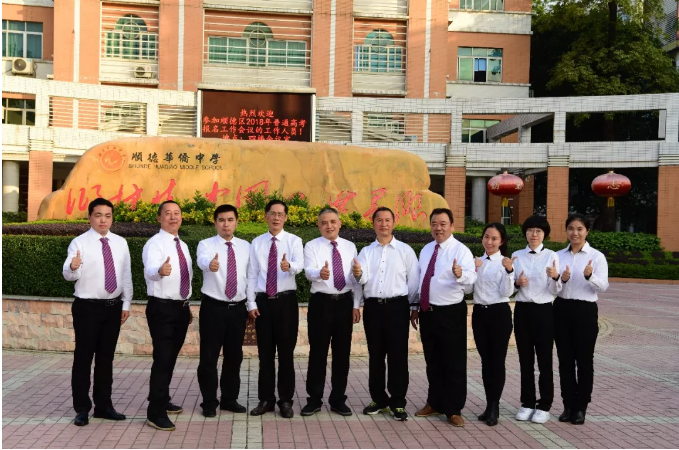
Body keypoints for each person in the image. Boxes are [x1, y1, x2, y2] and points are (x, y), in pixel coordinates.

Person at [63, 198, 132, 427]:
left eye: (108, 215)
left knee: (106, 359)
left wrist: (126, 303)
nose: (103, 220)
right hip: (87, 308)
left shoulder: (121, 243)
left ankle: (103, 406)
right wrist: (72, 267)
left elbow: (126, 275)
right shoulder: (79, 243)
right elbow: (70, 274)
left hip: (112, 308)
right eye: (98, 215)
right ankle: (82, 408)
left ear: (112, 218)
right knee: (83, 358)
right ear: (90, 217)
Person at [412, 208, 476, 427]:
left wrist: (460, 274)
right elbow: (421, 280)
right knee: (433, 361)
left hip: (450, 312)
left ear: (452, 225)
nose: (438, 228)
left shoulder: (461, 250)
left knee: (453, 361)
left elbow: (471, 281)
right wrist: (415, 307)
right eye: (434, 224)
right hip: (428, 312)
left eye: (442, 224)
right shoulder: (426, 249)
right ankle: (434, 402)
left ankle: (453, 409)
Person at [356, 207, 420, 421]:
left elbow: (413, 282)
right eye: (379, 220)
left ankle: (398, 402)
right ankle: (378, 399)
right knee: (375, 355)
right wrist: (358, 274)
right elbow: (362, 278)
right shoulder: (366, 252)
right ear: (373, 223)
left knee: (398, 356)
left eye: (387, 220)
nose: (383, 224)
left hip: (397, 307)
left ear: (394, 222)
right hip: (373, 308)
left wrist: (413, 308)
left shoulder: (405, 251)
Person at [301, 207, 362, 417]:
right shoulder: (311, 245)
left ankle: (338, 399)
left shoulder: (350, 246)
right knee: (318, 353)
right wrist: (320, 273)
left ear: (340, 224)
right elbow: (308, 271)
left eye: (333, 222)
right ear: (319, 226)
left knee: (342, 354)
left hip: (344, 303)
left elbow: (355, 278)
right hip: (321, 304)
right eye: (324, 223)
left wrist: (356, 304)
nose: (329, 226)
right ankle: (314, 400)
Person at [247, 200, 304, 418]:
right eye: (272, 213)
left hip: (286, 302)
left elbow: (300, 265)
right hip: (263, 303)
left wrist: (289, 266)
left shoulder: (294, 241)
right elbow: (252, 275)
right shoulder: (257, 243)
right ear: (266, 216)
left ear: (286, 217)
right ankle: (266, 400)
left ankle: (286, 401)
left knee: (286, 354)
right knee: (265, 355)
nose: (276, 217)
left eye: (281, 214)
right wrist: (251, 303)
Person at [142, 200, 193, 431]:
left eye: (177, 213)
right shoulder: (155, 244)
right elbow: (150, 269)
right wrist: (159, 271)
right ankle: (155, 413)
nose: (173, 217)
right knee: (162, 359)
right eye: (168, 213)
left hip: (180, 308)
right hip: (162, 308)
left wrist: (186, 306)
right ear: (159, 218)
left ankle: (162, 398)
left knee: (170, 358)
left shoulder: (182, 244)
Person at [196, 204, 250, 417]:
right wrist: (209, 264)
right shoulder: (206, 244)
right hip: (213, 308)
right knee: (209, 357)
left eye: (230, 220)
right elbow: (201, 261)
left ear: (236, 222)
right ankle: (209, 401)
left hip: (238, 309)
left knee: (234, 357)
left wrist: (251, 305)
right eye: (221, 220)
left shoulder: (246, 246)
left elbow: (251, 277)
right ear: (215, 223)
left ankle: (229, 399)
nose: (225, 224)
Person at [555, 213, 609, 425]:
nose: (574, 233)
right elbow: (552, 286)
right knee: (565, 361)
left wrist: (590, 276)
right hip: (561, 309)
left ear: (587, 231)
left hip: (585, 311)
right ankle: (568, 405)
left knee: (584, 361)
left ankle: (581, 407)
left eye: (579, 229)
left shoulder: (597, 257)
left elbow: (603, 286)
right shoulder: (558, 256)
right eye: (571, 228)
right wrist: (560, 279)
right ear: (566, 230)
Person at [511, 215, 560, 424]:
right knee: (525, 360)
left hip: (544, 311)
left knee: (544, 360)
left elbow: (556, 289)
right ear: (525, 233)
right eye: (530, 230)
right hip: (522, 310)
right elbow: (509, 287)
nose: (534, 234)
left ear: (544, 234)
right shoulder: (516, 255)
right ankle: (527, 403)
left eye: (538, 231)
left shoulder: (551, 256)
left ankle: (545, 404)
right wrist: (517, 283)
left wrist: (555, 277)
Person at [470, 223, 514, 426]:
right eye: (486, 237)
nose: (489, 242)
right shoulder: (476, 262)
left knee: (497, 361)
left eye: (494, 238)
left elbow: (507, 292)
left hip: (499, 314)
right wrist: (472, 270)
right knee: (485, 361)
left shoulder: (505, 263)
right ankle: (489, 405)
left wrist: (509, 271)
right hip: (479, 314)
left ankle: (494, 406)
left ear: (501, 241)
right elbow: (467, 290)